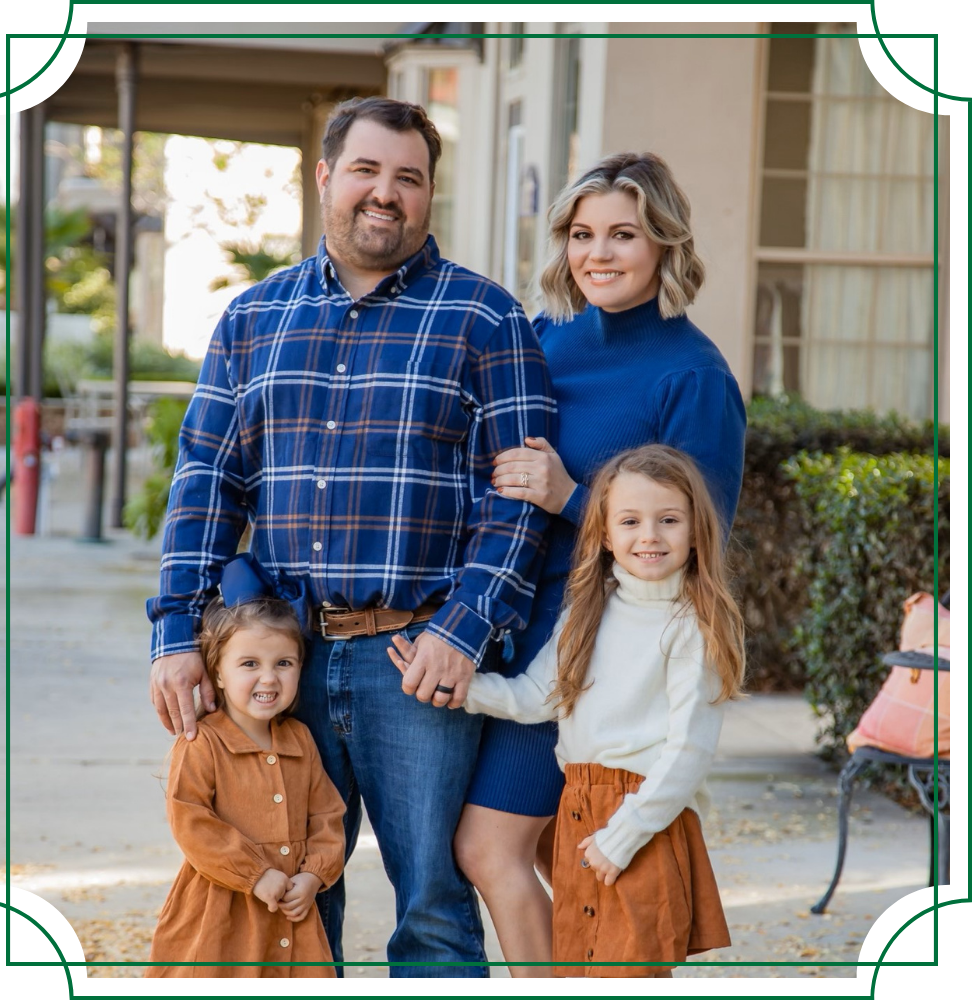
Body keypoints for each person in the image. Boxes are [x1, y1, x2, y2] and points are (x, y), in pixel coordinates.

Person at [146, 97, 555, 979]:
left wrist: (464, 630)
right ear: (326, 176)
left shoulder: (486, 320)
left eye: (408, 178)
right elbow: (205, 486)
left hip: (416, 661)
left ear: (429, 195)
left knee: (434, 909)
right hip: (277, 664)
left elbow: (520, 502)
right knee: (289, 904)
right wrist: (176, 634)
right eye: (367, 170)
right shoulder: (253, 319)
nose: (386, 194)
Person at [450, 152, 746, 975]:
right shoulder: (543, 340)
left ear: (664, 246)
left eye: (624, 233)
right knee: (566, 865)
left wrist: (569, 496)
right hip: (498, 622)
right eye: (582, 235)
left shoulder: (693, 374)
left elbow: (699, 541)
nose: (599, 254)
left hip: (583, 646)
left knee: (488, 848)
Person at [391, 443, 744, 978]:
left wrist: (625, 833)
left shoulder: (692, 626)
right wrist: (460, 688)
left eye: (668, 520)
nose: (648, 536)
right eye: (630, 521)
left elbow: (688, 752)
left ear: (696, 531)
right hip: (579, 800)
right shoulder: (588, 609)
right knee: (582, 965)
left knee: (631, 969)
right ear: (604, 535)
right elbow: (538, 697)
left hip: (641, 815)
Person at [147, 554, 345, 979]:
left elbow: (328, 817)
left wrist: (313, 877)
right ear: (217, 671)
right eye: (250, 664)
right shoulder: (202, 743)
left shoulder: (300, 740)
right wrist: (254, 875)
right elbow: (192, 822)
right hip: (221, 912)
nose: (269, 678)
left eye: (283, 664)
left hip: (291, 909)